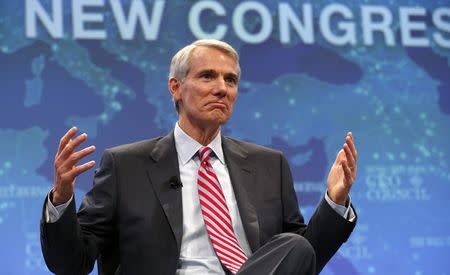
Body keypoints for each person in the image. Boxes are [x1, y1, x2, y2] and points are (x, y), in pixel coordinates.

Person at [40, 39, 357, 275]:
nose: (222, 89)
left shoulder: (269, 165)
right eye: (208, 76)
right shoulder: (125, 167)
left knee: (295, 246)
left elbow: (302, 259)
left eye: (230, 80)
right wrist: (62, 198)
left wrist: (334, 201)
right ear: (176, 87)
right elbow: (72, 263)